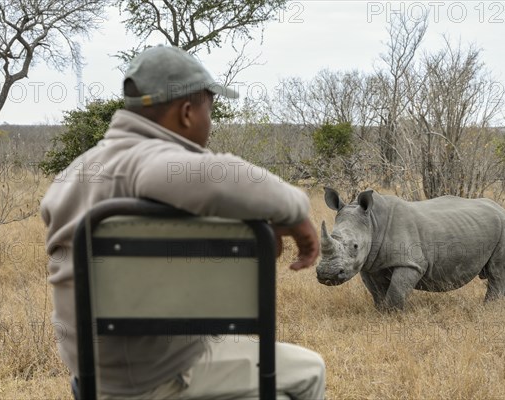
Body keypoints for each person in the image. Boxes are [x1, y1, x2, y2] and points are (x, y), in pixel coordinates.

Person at [40, 45, 326, 399]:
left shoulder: (72, 174)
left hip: (92, 379)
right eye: (210, 109)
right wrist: (296, 211)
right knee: (311, 370)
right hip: (157, 375)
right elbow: (218, 177)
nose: (211, 120)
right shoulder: (147, 161)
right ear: (187, 113)